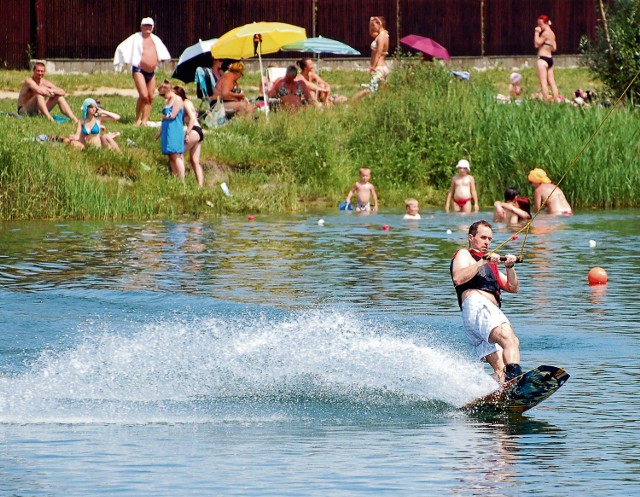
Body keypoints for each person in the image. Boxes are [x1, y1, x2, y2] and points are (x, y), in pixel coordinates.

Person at [450, 220, 522, 384]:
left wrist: (509, 267)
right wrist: (483, 261)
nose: (487, 242)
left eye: (489, 239)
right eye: (483, 237)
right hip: (478, 307)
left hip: (481, 316)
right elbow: (458, 277)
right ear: (471, 237)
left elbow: (513, 287)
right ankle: (515, 383)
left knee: (501, 368)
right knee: (510, 339)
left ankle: (481, 390)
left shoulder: (490, 263)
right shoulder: (465, 254)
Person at [113, 17, 171, 126]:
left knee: (150, 96)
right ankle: (137, 119)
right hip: (139, 70)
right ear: (141, 26)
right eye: (145, 25)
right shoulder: (136, 38)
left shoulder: (155, 39)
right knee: (144, 95)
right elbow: (122, 47)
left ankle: (144, 121)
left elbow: (162, 51)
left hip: (151, 72)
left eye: (149, 26)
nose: (147, 28)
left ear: (153, 27)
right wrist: (120, 62)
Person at [352, 16, 390, 100]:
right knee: (380, 90)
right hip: (383, 67)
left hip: (379, 67)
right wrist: (370, 23)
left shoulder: (381, 37)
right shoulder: (384, 35)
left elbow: (378, 54)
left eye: (374, 25)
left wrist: (373, 67)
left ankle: (352, 102)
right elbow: (371, 33)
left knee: (371, 89)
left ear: (379, 24)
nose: (373, 27)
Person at [174, 86, 204, 188]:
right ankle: (200, 186)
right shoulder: (188, 102)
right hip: (199, 132)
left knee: (179, 152)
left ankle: (181, 181)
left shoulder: (184, 103)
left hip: (194, 130)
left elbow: (191, 118)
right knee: (194, 161)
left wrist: (187, 133)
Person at [155, 80, 185, 180]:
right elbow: (164, 118)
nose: (163, 97)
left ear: (169, 91)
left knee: (176, 154)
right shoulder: (167, 101)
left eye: (163, 94)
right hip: (167, 129)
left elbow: (172, 116)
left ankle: (182, 179)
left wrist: (164, 116)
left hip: (175, 129)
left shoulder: (178, 100)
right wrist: (160, 131)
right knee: (170, 154)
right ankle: (174, 176)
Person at [534, 15, 559, 101]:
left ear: (545, 23)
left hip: (543, 59)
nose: (539, 26)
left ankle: (545, 100)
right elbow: (554, 48)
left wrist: (536, 32)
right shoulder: (552, 34)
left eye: (540, 24)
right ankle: (556, 99)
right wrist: (547, 46)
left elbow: (537, 43)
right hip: (550, 59)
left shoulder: (545, 33)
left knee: (543, 82)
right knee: (552, 82)